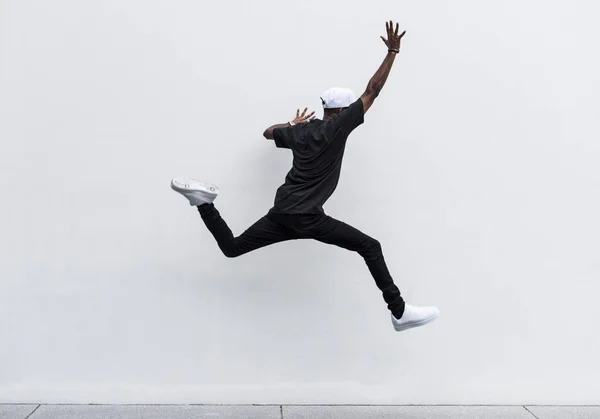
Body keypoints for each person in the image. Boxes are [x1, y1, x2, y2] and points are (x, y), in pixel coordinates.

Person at [171, 20, 439, 332]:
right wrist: (393, 51)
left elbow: (268, 132)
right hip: (307, 216)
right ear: (342, 112)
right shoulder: (337, 127)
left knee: (232, 247)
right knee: (371, 246)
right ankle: (399, 311)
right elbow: (373, 91)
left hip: (284, 212)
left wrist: (291, 123)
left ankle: (204, 203)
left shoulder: (302, 131)